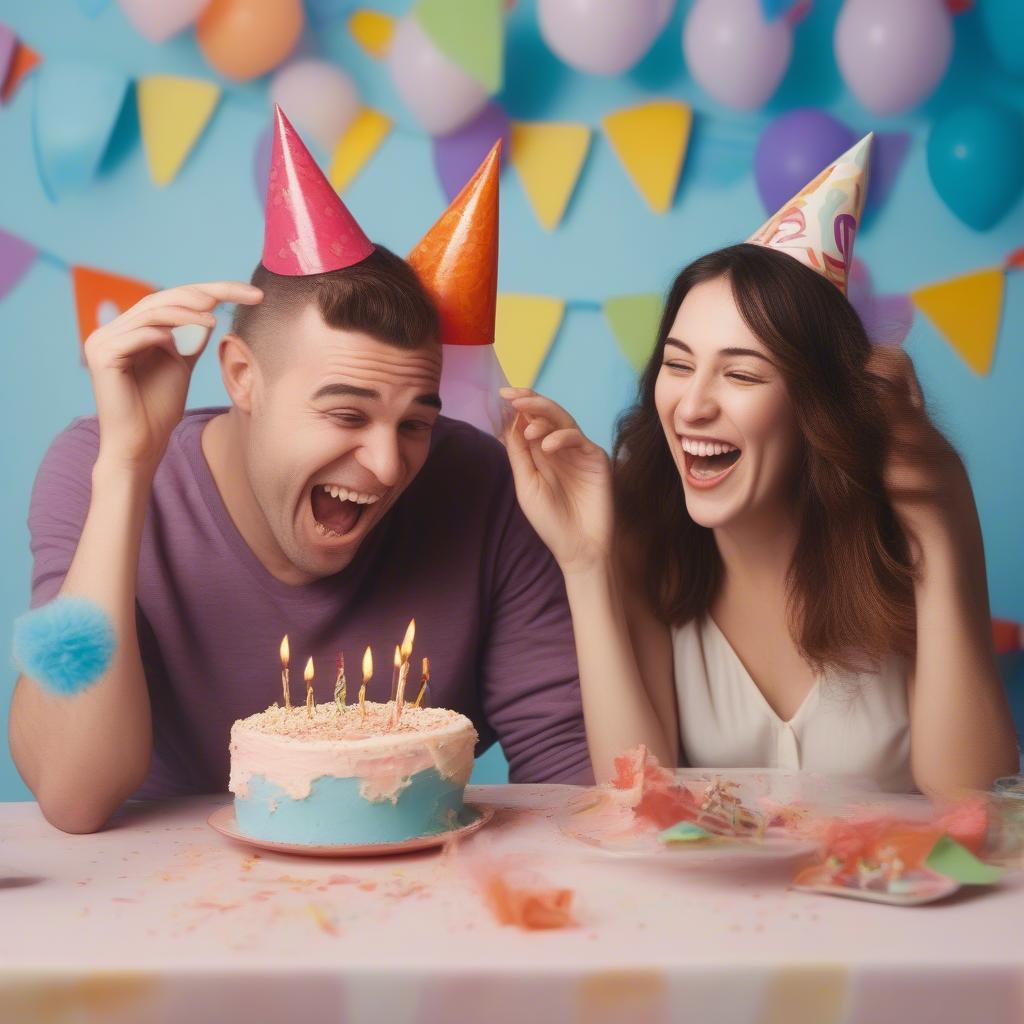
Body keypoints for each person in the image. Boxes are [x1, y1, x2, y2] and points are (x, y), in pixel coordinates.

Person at [10, 109, 590, 835]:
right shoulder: (96, 465)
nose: (386, 464)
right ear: (242, 378)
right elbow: (72, 793)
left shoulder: (483, 484)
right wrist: (128, 469)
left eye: (415, 422)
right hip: (175, 909)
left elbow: (578, 787)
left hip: (423, 906)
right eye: (347, 416)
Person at [502, 135, 1018, 797]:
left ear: (816, 405)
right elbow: (638, 801)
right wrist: (584, 563)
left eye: (741, 374)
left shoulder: (907, 531)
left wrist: (938, 521)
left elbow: (974, 797)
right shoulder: (641, 542)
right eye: (679, 365)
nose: (692, 405)